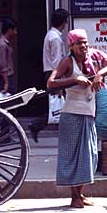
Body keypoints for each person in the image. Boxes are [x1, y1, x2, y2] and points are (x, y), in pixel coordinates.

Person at [47, 29, 107, 208]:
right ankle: (74, 196)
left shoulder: (94, 56)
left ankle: (80, 193)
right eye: (79, 43)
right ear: (71, 46)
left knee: (89, 155)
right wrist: (75, 80)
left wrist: (100, 74)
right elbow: (51, 83)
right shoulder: (67, 62)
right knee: (73, 156)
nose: (83, 46)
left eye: (85, 42)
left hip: (89, 113)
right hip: (71, 114)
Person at [29, 8, 70, 143]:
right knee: (57, 105)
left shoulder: (50, 35)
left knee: (56, 105)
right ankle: (37, 125)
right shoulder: (56, 38)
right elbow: (57, 61)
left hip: (50, 73)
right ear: (63, 22)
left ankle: (38, 125)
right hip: (54, 74)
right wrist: (58, 82)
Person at [0, 17, 18, 143]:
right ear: (9, 30)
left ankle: (5, 134)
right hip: (4, 78)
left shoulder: (5, 43)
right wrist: (6, 83)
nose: (16, 33)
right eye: (14, 30)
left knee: (8, 106)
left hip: (6, 77)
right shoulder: (2, 45)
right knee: (6, 107)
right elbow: (2, 66)